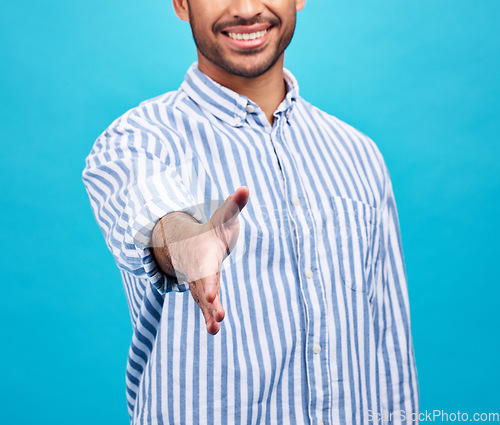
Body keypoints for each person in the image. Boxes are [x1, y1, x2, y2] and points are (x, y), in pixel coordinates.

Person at [82, 0, 419, 423]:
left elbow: (389, 345)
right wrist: (188, 243)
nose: (245, 9)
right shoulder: (138, 140)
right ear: (181, 4)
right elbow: (153, 208)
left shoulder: (359, 154)